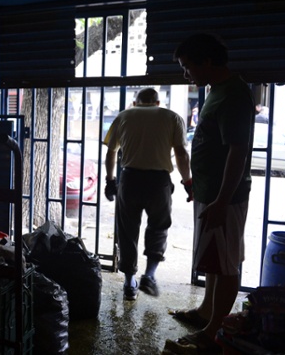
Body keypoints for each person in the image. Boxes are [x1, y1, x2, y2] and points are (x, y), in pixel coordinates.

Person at [166, 33, 255, 353]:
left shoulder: (233, 94)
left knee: (227, 262)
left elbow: (238, 151)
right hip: (210, 191)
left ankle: (215, 331)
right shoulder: (217, 92)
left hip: (224, 196)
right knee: (214, 258)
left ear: (206, 61)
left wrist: (220, 199)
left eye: (187, 66)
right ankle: (206, 311)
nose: (185, 73)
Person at [103, 87, 192, 301]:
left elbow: (111, 152)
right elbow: (181, 153)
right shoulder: (172, 117)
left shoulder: (124, 116)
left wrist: (110, 180)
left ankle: (128, 283)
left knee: (127, 230)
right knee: (158, 228)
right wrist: (188, 181)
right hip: (158, 182)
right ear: (158, 102)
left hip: (130, 180)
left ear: (135, 102)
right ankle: (149, 275)